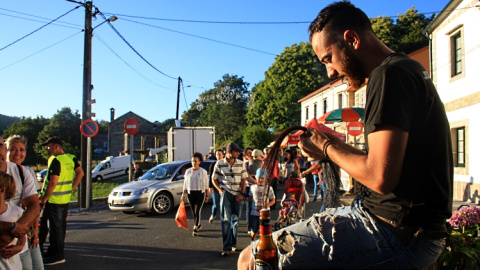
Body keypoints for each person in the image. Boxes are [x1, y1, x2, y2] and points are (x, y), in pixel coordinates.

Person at [239, 1, 453, 269]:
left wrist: (327, 148)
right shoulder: (406, 69)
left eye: (328, 58)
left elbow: (379, 176)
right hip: (407, 229)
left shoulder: (388, 76)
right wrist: (334, 144)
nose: (329, 71)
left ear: (351, 40)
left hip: (396, 233)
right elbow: (381, 162)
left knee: (251, 258)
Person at [38, 137, 84, 266]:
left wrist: (44, 197)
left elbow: (53, 182)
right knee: (58, 228)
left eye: (48, 146)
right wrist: (71, 188)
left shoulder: (57, 160)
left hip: (54, 200)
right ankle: (52, 252)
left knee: (55, 229)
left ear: (56, 146)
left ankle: (57, 256)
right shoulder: (71, 158)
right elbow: (80, 173)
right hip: (64, 199)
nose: (47, 148)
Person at [0, 135, 40, 270]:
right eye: (14, 149)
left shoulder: (22, 172)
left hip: (19, 247)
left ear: (4, 149)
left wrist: (16, 232)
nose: (18, 154)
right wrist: (10, 228)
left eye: (0, 146)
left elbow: (34, 206)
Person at [212, 142, 247, 257]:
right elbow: (214, 179)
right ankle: (226, 247)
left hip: (238, 194)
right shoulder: (219, 163)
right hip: (226, 194)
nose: (238, 153)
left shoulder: (241, 164)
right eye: (236, 151)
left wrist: (242, 193)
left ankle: (233, 244)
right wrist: (220, 191)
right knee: (226, 220)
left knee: (235, 220)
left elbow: (243, 180)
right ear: (229, 152)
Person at [0, 172, 26, 270]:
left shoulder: (17, 212)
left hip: (12, 266)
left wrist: (19, 247)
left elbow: (22, 234)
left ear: (2, 190)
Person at [181, 152, 209, 236]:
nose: (194, 163)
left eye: (196, 161)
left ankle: (195, 227)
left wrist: (207, 195)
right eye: (193, 161)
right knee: (193, 211)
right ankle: (198, 223)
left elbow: (206, 184)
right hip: (191, 193)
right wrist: (183, 194)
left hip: (200, 193)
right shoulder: (188, 171)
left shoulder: (203, 171)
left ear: (199, 162)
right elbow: (185, 183)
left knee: (197, 210)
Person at [248, 168, 275, 241]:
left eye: (262, 178)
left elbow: (273, 200)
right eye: (259, 178)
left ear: (266, 178)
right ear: (256, 178)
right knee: (254, 229)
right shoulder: (252, 187)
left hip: (265, 213)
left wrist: (266, 205)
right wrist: (243, 198)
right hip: (254, 212)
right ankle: (253, 242)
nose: (260, 180)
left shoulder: (269, 188)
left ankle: (263, 242)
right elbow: (250, 198)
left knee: (264, 229)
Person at [245, 149, 262, 234]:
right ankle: (257, 226)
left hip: (249, 185)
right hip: (257, 186)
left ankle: (250, 227)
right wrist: (257, 182)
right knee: (258, 207)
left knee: (249, 208)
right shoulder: (261, 163)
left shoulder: (247, 162)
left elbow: (246, 175)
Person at [208, 149, 224, 224]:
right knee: (216, 203)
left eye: (220, 154)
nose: (218, 156)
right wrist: (210, 186)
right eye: (217, 154)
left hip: (224, 186)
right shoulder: (213, 165)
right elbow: (211, 176)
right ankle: (213, 214)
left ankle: (224, 219)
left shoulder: (225, 164)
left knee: (224, 203)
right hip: (215, 186)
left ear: (223, 155)